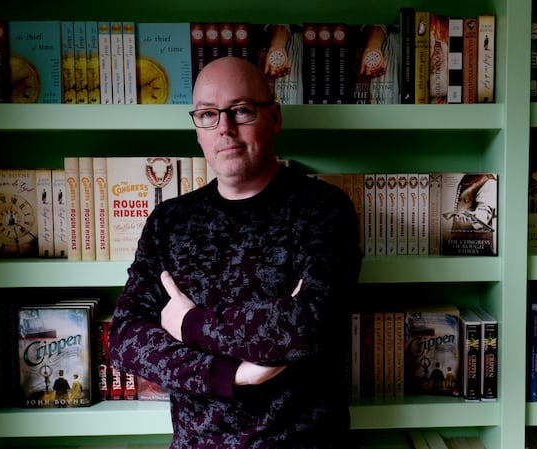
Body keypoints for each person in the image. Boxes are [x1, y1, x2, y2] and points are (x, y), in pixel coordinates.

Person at [109, 56, 363, 449]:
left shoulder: (323, 210)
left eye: (241, 110)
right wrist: (232, 374)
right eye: (208, 114)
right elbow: (126, 337)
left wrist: (189, 323)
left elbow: (306, 327)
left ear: (274, 118)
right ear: (198, 130)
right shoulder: (170, 221)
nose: (224, 128)